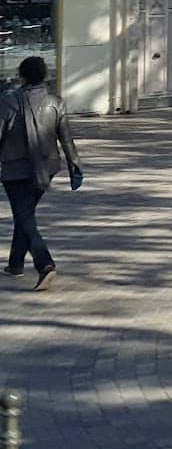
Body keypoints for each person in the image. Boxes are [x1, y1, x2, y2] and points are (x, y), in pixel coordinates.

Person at [1, 56, 83, 291]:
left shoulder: (8, 101)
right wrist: (74, 166)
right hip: (47, 168)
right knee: (24, 213)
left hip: (15, 169)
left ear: (21, 76)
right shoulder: (56, 102)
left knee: (24, 215)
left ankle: (44, 263)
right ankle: (15, 264)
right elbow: (66, 139)